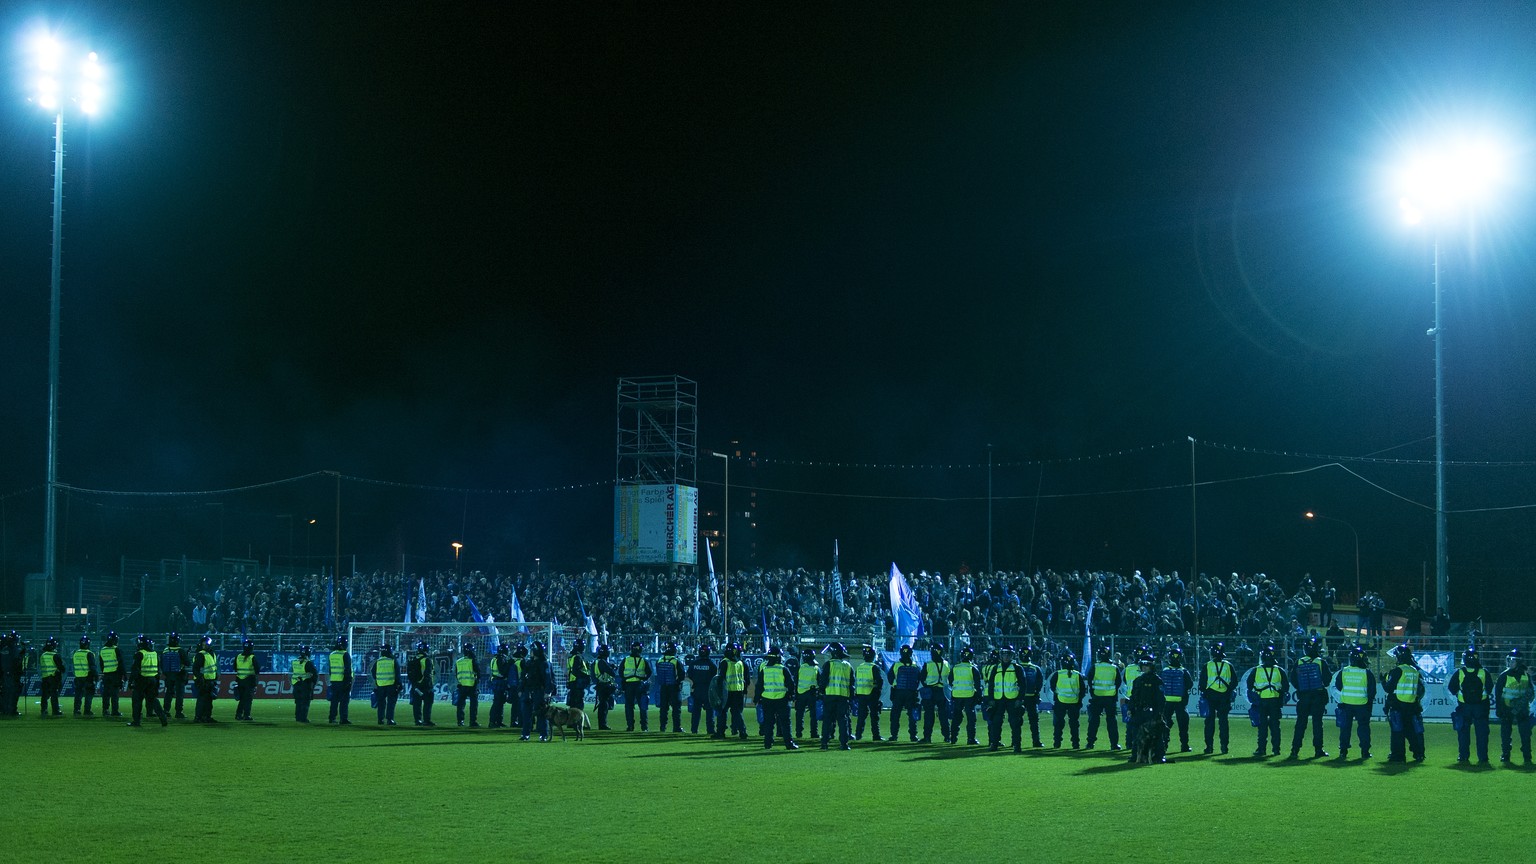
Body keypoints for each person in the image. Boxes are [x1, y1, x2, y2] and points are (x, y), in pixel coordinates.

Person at [1288, 636, 1331, 759]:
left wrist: (1301, 688)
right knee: (1317, 724)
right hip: (1318, 697)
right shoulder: (1321, 662)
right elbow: (1327, 680)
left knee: (1300, 724)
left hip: (1304, 697)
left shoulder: (1299, 662)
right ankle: (1318, 750)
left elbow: (1293, 679)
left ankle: (1295, 750)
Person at [1332, 644, 1377, 760]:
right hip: (1362, 705)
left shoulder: (1344, 671)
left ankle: (1343, 751)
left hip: (1346, 704)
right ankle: (1365, 752)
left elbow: (1338, 686)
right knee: (1363, 728)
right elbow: (1372, 692)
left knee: (1345, 729)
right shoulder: (1367, 673)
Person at [1383, 643, 1426, 763]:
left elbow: (1389, 689)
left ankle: (1398, 756)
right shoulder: (1414, 671)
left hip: (1398, 705)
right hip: (1412, 705)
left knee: (1397, 732)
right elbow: (1420, 689)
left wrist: (1383, 681)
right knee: (1412, 731)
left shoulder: (1397, 671)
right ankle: (1419, 753)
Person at [1447, 648, 1491, 765]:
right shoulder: (1483, 672)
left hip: (1464, 707)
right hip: (1480, 707)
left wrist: (1459, 694)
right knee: (1482, 734)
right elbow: (1490, 688)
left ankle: (1463, 756)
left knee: (1463, 733)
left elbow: (1451, 687)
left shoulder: (1460, 672)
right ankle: (1483, 757)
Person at [1245, 645, 1288, 758]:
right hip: (1275, 701)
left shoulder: (1256, 670)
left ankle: (1261, 749)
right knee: (1275, 726)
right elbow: (1286, 687)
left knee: (1262, 727)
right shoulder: (1280, 670)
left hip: (1261, 702)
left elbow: (1249, 685)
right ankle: (1276, 749)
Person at [754, 646, 797, 750]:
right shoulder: (783, 669)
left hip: (767, 700)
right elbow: (791, 684)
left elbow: (759, 686)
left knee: (768, 723)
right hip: (782, 700)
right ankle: (789, 743)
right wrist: (791, 695)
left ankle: (768, 743)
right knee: (785, 723)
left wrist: (757, 698)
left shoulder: (764, 670)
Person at [1494, 648, 1532, 765]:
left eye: (1512, 661)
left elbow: (1531, 693)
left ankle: (1527, 756)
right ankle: (1506, 755)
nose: (1509, 663)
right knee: (1506, 735)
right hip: (1507, 709)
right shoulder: (1504, 676)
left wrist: (1521, 703)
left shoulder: (1526, 676)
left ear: (1519, 662)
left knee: (1525, 734)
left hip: (1521, 709)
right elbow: (1498, 694)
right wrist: (1499, 709)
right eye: (1509, 660)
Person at [985, 644, 1026, 752]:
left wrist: (1020, 699)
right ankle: (994, 744)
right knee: (996, 722)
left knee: (1015, 723)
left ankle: (1017, 745)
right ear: (1001, 656)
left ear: (1012, 655)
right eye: (1004, 654)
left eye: (1008, 654)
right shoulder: (995, 668)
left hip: (1013, 699)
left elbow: (1023, 685)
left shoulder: (1017, 668)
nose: (1006, 657)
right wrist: (991, 699)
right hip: (998, 699)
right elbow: (991, 685)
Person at [1127, 653, 1167, 763]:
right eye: (1143, 666)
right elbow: (1133, 697)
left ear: (1152, 666)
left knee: (1156, 736)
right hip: (1139, 712)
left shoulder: (1157, 681)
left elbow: (1161, 700)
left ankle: (1159, 756)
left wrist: (1159, 714)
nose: (1144, 668)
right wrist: (1130, 709)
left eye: (1147, 666)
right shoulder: (1138, 681)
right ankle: (1136, 755)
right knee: (1136, 735)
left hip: (1152, 713)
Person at [1200, 641, 1236, 755]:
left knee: (1209, 723)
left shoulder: (1207, 665)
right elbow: (1234, 682)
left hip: (1210, 696)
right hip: (1224, 697)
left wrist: (1205, 691)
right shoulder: (1228, 665)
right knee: (1223, 722)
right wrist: (1228, 690)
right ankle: (1224, 747)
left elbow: (1201, 684)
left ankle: (1209, 747)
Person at [818, 642, 855, 750]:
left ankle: (824, 743)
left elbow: (823, 680)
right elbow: (852, 683)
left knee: (827, 720)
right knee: (843, 720)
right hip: (843, 696)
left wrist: (821, 692)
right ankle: (844, 744)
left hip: (830, 695)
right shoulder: (848, 666)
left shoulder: (828, 664)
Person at [127, 635, 168, 728]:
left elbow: (135, 669)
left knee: (137, 700)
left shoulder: (139, 654)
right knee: (153, 700)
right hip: (153, 680)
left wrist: (130, 681)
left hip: (142, 680)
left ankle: (136, 721)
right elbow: (158, 670)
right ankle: (163, 718)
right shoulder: (155, 654)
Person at [1086, 646, 1122, 751]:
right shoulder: (1114, 667)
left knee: (1093, 721)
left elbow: (1089, 681)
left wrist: (1093, 693)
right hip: (1110, 698)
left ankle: (1090, 743)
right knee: (1112, 721)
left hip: (1097, 697)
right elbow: (1118, 682)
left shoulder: (1095, 667)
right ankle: (1114, 744)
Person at [1159, 645, 1194, 753]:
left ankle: (1164, 745)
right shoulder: (1184, 671)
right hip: (1180, 702)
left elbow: (1161, 686)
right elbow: (1190, 684)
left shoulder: (1164, 670)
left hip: (1167, 702)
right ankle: (1184, 745)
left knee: (1165, 724)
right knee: (1183, 725)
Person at [887, 644, 922, 743]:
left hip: (898, 692)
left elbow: (890, 678)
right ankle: (913, 736)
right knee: (912, 715)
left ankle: (894, 736)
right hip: (911, 693)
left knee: (895, 715)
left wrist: (895, 685)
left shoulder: (896, 664)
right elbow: (920, 679)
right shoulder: (915, 665)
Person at [1049, 651, 1084, 749]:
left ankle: (1057, 743)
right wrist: (1079, 700)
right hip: (1074, 702)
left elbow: (1052, 687)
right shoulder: (1077, 675)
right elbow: (1082, 690)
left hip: (1060, 701)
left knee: (1058, 724)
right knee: (1074, 724)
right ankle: (1075, 744)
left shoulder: (1057, 674)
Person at [948, 645, 981, 745]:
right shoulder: (973, 668)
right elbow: (978, 685)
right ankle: (971, 739)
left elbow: (950, 681)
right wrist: (979, 696)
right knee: (971, 718)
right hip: (969, 696)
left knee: (956, 717)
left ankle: (953, 738)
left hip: (957, 695)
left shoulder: (955, 668)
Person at [521, 640, 554, 741]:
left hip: (539, 691)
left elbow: (548, 678)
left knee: (541, 714)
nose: (530, 652)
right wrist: (520, 689)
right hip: (528, 691)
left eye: (531, 650)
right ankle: (525, 734)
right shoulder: (529, 663)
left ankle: (543, 734)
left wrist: (548, 692)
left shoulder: (544, 664)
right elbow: (523, 677)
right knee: (526, 714)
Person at [851, 645, 885, 742]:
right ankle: (876, 735)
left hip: (861, 694)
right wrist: (878, 694)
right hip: (872, 693)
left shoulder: (859, 667)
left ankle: (858, 735)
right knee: (874, 716)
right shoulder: (874, 667)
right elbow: (879, 681)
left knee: (861, 716)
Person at [920, 643, 951, 745]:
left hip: (930, 691)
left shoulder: (928, 664)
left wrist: (927, 685)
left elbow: (922, 678)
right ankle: (947, 736)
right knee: (943, 715)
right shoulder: (946, 664)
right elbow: (950, 679)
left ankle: (927, 737)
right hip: (942, 691)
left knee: (929, 715)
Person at [717, 642, 749, 740]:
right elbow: (745, 679)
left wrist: (719, 691)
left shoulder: (724, 662)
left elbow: (721, 678)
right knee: (737, 713)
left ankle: (720, 732)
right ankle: (742, 732)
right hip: (738, 690)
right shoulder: (741, 663)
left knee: (722, 712)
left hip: (727, 691)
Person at [1017, 645, 1046, 748]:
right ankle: (1036, 741)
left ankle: (1015, 741)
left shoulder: (1016, 667)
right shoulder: (1036, 668)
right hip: (1031, 697)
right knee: (1034, 721)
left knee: (1016, 721)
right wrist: (1036, 693)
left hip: (1018, 698)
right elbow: (1039, 683)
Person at [621, 641, 653, 731]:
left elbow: (620, 673)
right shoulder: (643, 660)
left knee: (629, 707)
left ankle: (630, 726)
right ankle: (644, 727)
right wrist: (644, 679)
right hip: (640, 685)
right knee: (642, 707)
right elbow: (649, 673)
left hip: (629, 685)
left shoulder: (626, 660)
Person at [686, 644, 717, 736]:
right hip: (708, 691)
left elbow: (689, 677)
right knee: (710, 712)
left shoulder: (693, 663)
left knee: (696, 712)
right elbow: (715, 679)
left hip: (696, 691)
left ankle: (694, 729)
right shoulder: (711, 664)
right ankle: (710, 730)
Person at [655, 640, 685, 733]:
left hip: (663, 687)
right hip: (674, 688)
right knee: (676, 709)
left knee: (663, 708)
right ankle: (676, 727)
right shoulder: (676, 661)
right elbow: (682, 675)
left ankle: (662, 727)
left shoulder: (659, 660)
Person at [160, 633, 190, 720]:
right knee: (179, 694)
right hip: (179, 675)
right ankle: (178, 712)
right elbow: (187, 663)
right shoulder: (180, 650)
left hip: (169, 675)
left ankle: (166, 710)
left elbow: (162, 664)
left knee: (169, 693)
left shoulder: (165, 650)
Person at [792, 647, 820, 742]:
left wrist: (795, 694)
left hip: (800, 693)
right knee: (813, 715)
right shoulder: (816, 668)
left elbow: (795, 681)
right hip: (812, 694)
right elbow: (820, 681)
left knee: (799, 714)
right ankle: (814, 733)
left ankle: (798, 732)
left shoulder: (800, 668)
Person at [327, 636, 353, 725]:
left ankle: (332, 718)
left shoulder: (332, 654)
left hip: (334, 680)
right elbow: (347, 669)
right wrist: (348, 681)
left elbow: (330, 669)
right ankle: (343, 719)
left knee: (334, 701)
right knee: (344, 701)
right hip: (343, 681)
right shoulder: (345, 654)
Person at [99, 631, 126, 719]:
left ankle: (105, 710)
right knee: (114, 694)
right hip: (115, 674)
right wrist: (124, 675)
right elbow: (121, 663)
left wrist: (104, 671)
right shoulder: (116, 649)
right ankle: (115, 711)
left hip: (106, 674)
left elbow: (101, 664)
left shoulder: (102, 650)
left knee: (106, 693)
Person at [192, 636, 219, 724]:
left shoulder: (211, 654)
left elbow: (214, 667)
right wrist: (200, 678)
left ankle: (207, 717)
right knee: (202, 700)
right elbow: (195, 669)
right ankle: (198, 717)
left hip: (210, 680)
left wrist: (215, 677)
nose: (205, 645)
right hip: (203, 681)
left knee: (208, 700)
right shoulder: (201, 654)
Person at [409, 641, 436, 728]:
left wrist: (415, 685)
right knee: (428, 703)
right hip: (426, 686)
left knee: (417, 704)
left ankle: (417, 720)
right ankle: (426, 720)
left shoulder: (413, 659)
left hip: (416, 686)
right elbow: (428, 674)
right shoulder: (427, 660)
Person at [233, 639, 260, 722]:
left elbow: (234, 668)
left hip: (240, 680)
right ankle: (246, 715)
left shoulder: (238, 656)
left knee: (242, 699)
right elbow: (257, 669)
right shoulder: (252, 657)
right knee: (248, 699)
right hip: (249, 680)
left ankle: (238, 715)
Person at [290, 644, 319, 723]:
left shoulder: (294, 662)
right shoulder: (308, 663)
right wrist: (313, 684)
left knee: (298, 702)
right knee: (305, 702)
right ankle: (303, 718)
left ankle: (298, 717)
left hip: (296, 684)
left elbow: (292, 673)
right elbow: (315, 674)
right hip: (305, 684)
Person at [373, 644, 400, 726]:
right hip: (391, 684)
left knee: (381, 703)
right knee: (391, 703)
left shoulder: (378, 661)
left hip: (380, 685)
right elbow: (397, 674)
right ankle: (389, 719)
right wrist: (399, 684)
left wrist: (377, 680)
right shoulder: (393, 660)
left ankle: (380, 719)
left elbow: (373, 672)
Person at [37, 636, 64, 718]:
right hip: (53, 677)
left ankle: (43, 709)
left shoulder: (42, 655)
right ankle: (55, 710)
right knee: (54, 694)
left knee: (44, 695)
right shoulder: (55, 655)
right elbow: (61, 668)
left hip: (45, 677)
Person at [71, 636, 98, 717]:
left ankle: (76, 710)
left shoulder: (75, 653)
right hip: (87, 677)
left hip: (78, 676)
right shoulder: (89, 653)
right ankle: (87, 710)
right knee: (89, 694)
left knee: (78, 695)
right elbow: (92, 666)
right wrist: (95, 676)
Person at [591, 644, 616, 730]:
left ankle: (602, 724)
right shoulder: (602, 662)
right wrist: (612, 668)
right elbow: (611, 672)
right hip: (604, 685)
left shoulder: (596, 661)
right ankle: (602, 724)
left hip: (599, 684)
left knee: (603, 704)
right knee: (604, 705)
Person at [455, 644, 480, 727]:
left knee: (460, 705)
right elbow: (478, 673)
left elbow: (456, 674)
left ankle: (460, 721)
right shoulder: (472, 661)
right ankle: (473, 722)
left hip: (462, 685)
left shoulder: (458, 661)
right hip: (472, 685)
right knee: (473, 705)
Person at [487, 643, 511, 728]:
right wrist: (509, 664)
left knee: (500, 702)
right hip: (499, 682)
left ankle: (498, 721)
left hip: (496, 681)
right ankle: (493, 721)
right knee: (497, 703)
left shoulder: (495, 658)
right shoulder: (501, 658)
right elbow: (503, 672)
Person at [566, 642, 591, 710]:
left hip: (572, 682)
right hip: (577, 683)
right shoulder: (577, 657)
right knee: (578, 706)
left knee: (573, 706)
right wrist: (586, 676)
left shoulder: (571, 657)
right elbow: (576, 671)